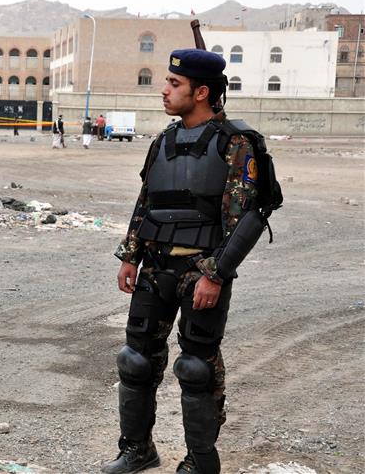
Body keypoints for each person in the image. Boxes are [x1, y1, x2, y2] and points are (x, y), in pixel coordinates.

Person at [103, 49, 266, 474]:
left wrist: (216, 275)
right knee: (135, 360)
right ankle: (137, 449)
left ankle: (201, 461)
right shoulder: (164, 141)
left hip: (201, 271)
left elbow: (245, 219)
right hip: (155, 267)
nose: (164, 90)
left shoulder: (235, 143)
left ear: (202, 92)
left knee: (196, 368)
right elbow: (147, 201)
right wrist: (130, 256)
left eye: (174, 84)